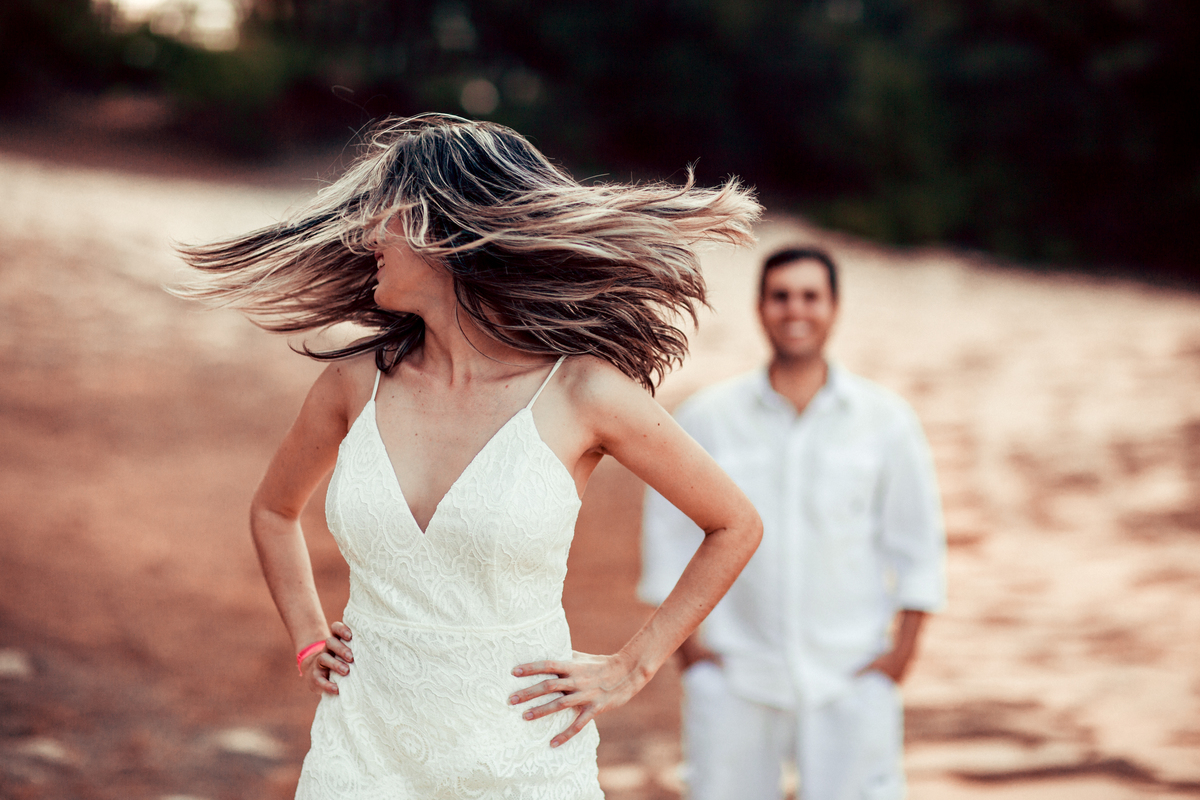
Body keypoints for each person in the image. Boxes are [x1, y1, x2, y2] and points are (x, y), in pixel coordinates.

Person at [175, 114, 763, 799]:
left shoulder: (582, 392)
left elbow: (734, 524)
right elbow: (274, 510)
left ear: (441, 229)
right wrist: (309, 637)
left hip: (522, 757)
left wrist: (633, 666)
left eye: (382, 216)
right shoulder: (351, 384)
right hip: (362, 754)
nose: (367, 236)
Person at [640, 247, 945, 800]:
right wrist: (695, 660)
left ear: (834, 308)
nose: (795, 310)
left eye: (811, 296)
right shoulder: (708, 418)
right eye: (781, 296)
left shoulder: (886, 422)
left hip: (850, 676)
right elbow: (669, 540)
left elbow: (918, 548)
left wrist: (895, 664)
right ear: (760, 307)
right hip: (736, 672)